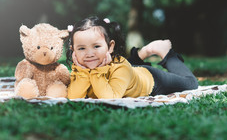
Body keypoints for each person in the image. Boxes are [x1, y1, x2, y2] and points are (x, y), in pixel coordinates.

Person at [66, 16, 198, 99]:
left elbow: (110, 97)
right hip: (129, 72)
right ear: (73, 51)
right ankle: (142, 53)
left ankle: (168, 54)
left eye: (96, 46)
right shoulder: (80, 67)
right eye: (81, 48)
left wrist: (97, 72)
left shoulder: (120, 67)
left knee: (191, 84)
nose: (89, 54)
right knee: (126, 67)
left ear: (110, 47)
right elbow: (73, 96)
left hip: (151, 80)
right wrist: (83, 73)